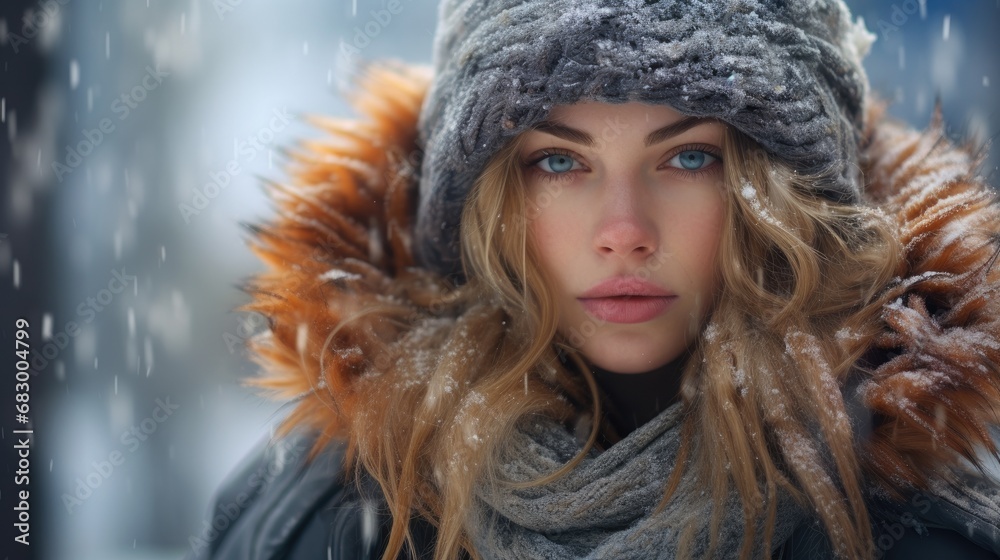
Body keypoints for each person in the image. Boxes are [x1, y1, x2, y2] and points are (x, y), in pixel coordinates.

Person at [188, 0, 1000, 558]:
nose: (624, 232)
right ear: (481, 199)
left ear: (786, 196)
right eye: (557, 161)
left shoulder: (919, 527)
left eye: (689, 158)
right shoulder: (320, 516)